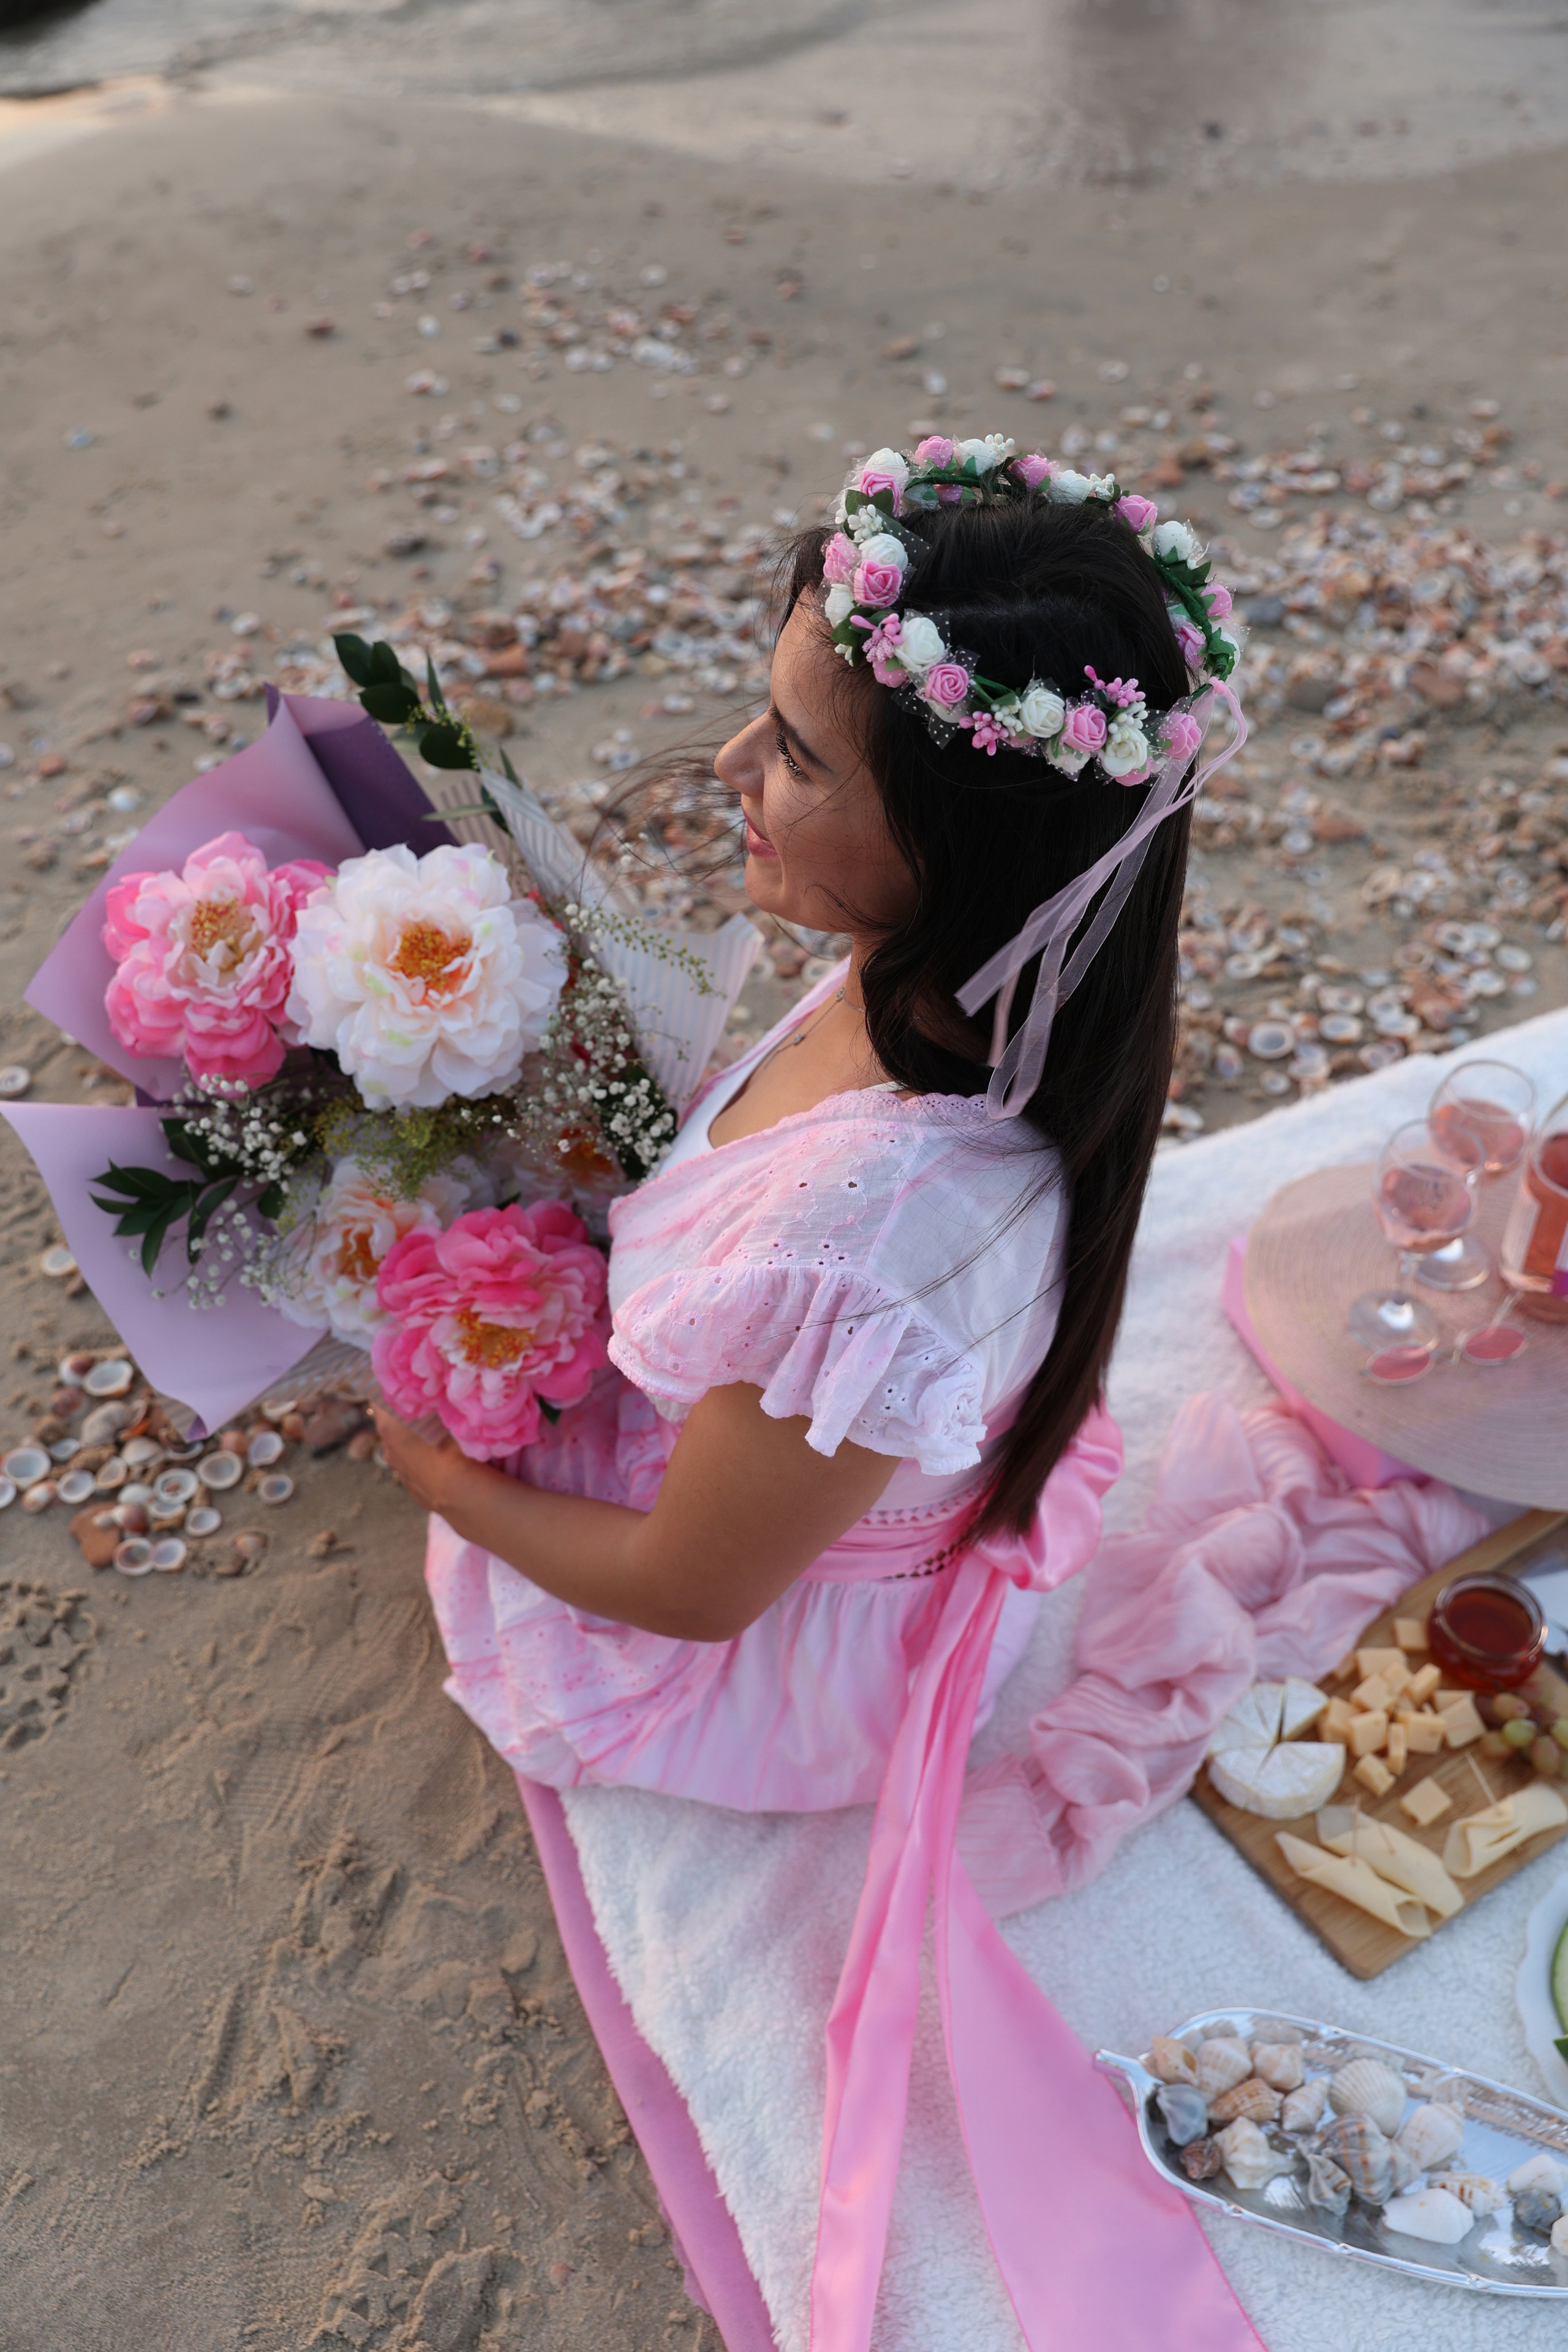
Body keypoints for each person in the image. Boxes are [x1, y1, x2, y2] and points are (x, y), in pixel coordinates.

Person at [374, 435, 1263, 2352]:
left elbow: (692, 1591)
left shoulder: (873, 1241)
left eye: (792, 754)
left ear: (961, 841)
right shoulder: (970, 980)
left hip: (758, 1620)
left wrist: (442, 1481)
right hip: (800, 1452)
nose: (727, 768)